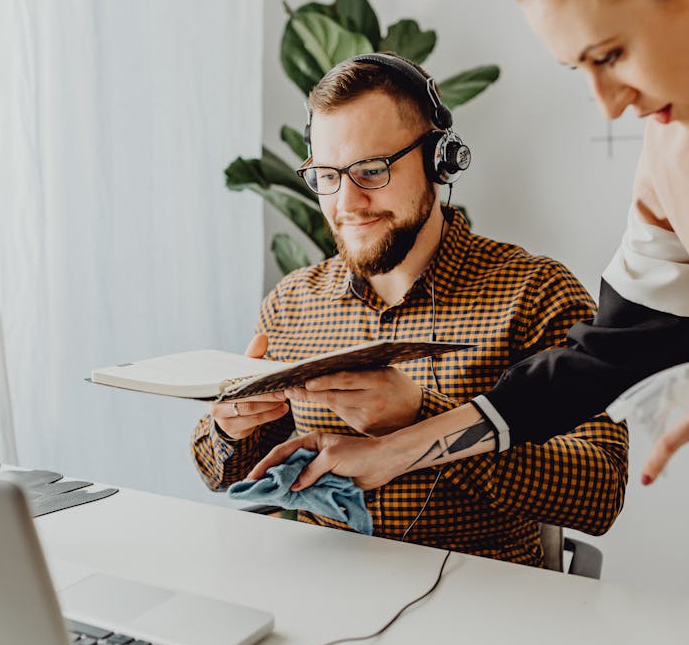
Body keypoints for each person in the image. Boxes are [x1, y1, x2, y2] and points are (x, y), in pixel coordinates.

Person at [249, 0, 689, 496]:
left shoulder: (526, 288)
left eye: (610, 54)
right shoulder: (670, 162)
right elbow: (596, 364)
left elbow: (599, 482)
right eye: (578, 68)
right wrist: (399, 450)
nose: (607, 105)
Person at [193, 54, 628, 565]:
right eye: (326, 176)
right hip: (323, 593)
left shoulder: (534, 292)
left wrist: (422, 415)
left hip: (484, 610)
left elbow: (601, 489)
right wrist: (230, 428)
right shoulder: (293, 304)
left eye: (371, 171)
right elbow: (219, 472)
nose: (346, 202)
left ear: (440, 161)